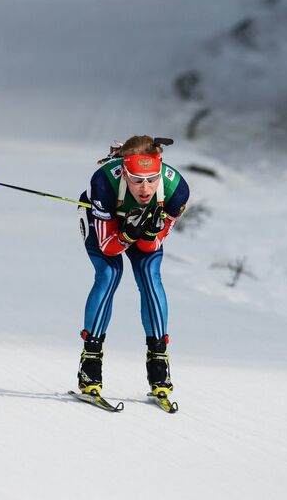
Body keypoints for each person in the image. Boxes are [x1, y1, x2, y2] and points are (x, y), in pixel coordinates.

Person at [76, 135, 189, 398]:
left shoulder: (176, 191)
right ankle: (90, 361)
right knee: (109, 273)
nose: (145, 188)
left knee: (150, 277)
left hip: (134, 229)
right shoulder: (103, 182)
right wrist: (127, 234)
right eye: (137, 180)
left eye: (152, 179)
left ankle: (159, 361)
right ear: (124, 173)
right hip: (107, 226)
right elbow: (107, 247)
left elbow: (153, 246)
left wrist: (149, 235)